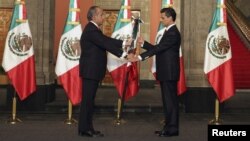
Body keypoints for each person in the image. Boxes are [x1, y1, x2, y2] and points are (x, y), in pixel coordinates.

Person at [78, 6, 132, 137]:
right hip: (90, 72)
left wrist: (124, 42)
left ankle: (86, 128)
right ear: (94, 16)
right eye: (101, 14)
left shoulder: (94, 29)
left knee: (89, 101)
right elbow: (105, 43)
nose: (104, 17)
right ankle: (85, 129)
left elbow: (106, 40)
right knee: (87, 102)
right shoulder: (91, 30)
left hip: (92, 72)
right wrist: (125, 55)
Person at [129, 7, 181, 137]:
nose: (161, 19)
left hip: (169, 73)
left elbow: (160, 47)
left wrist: (140, 57)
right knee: (167, 102)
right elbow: (159, 49)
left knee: (170, 102)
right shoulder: (168, 32)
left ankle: (172, 129)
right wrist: (144, 43)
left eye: (163, 17)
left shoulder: (173, 32)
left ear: (170, 18)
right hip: (166, 72)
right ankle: (168, 127)